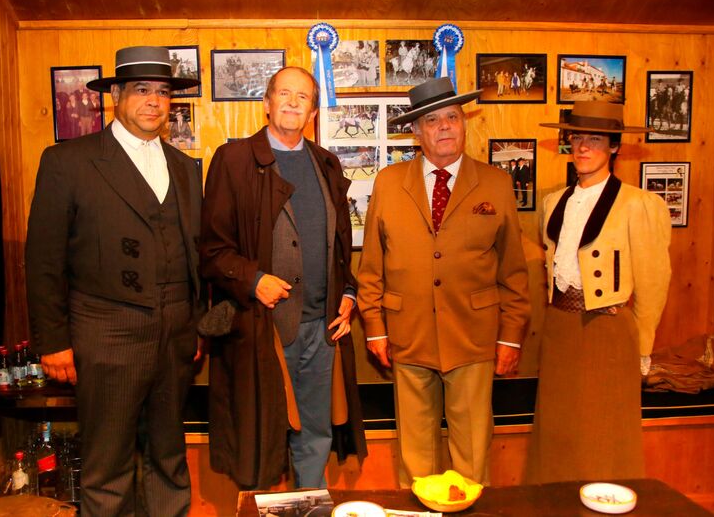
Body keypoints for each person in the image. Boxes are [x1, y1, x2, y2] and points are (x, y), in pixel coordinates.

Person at [25, 46, 204, 516]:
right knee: (108, 467)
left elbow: (195, 256)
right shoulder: (69, 161)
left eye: (163, 92)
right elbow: (43, 259)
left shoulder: (186, 168)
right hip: (106, 331)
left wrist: (195, 326)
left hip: (175, 334)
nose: (154, 101)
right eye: (142, 90)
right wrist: (53, 342)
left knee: (169, 457)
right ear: (117, 97)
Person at [357, 77, 531, 486]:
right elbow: (371, 267)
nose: (445, 127)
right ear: (416, 132)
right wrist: (374, 328)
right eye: (432, 120)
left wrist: (510, 337)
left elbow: (513, 270)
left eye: (452, 116)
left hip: (473, 337)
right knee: (415, 456)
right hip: (407, 335)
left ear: (464, 122)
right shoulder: (388, 182)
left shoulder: (495, 183)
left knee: (471, 454)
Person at [200, 66, 366, 489]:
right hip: (262, 327)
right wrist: (253, 279)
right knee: (262, 436)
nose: (293, 102)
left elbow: (341, 244)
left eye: (304, 97)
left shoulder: (326, 163)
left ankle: (310, 506)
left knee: (316, 432)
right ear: (267, 102)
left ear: (313, 111)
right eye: (284, 94)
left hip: (321, 328)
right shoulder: (234, 160)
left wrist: (348, 291)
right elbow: (212, 250)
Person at [526, 101, 672, 483]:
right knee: (557, 431)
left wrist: (642, 348)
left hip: (607, 332)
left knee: (604, 435)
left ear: (614, 147)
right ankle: (553, 505)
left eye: (595, 139)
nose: (583, 147)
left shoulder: (640, 204)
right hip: (560, 328)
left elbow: (655, 282)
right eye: (576, 138)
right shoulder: (553, 201)